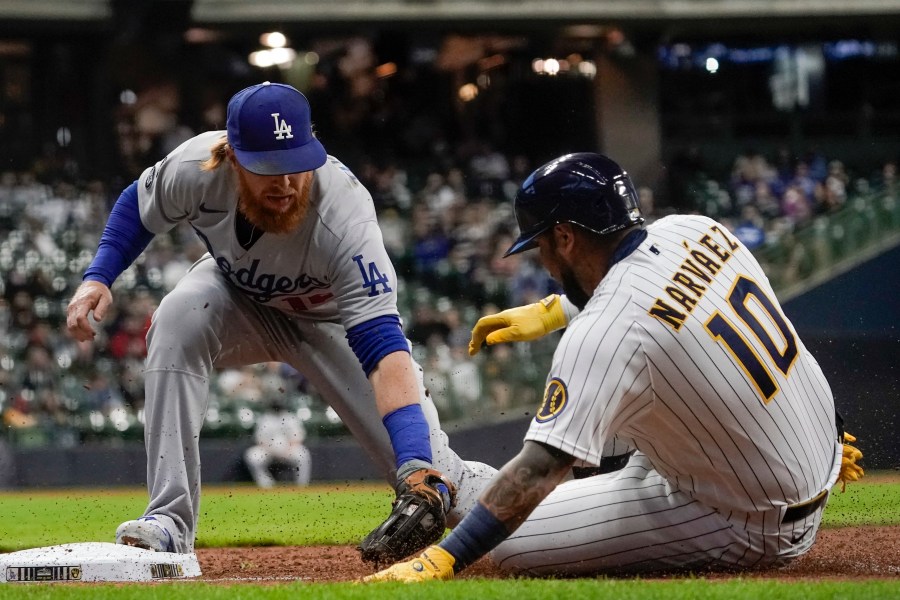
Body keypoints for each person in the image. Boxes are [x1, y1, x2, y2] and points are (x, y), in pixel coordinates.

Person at [365, 152, 864, 581]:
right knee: (641, 385)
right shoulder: (696, 229)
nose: (540, 260)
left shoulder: (604, 332)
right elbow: (665, 301)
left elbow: (542, 467)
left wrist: (444, 558)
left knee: (510, 546)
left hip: (749, 519)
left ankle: (486, 492)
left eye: (539, 244)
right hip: (814, 457)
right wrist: (552, 310)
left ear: (564, 237)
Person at [65, 81, 495, 554]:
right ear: (231, 156)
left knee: (436, 477)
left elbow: (382, 348)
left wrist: (415, 464)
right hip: (237, 297)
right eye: (268, 168)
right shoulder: (195, 166)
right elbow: (138, 205)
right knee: (178, 316)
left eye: (295, 164)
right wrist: (98, 276)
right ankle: (167, 522)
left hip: (332, 325)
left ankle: (538, 506)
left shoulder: (345, 216)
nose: (286, 182)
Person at [244, 397, 312, 488]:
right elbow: (260, 440)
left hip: (289, 449)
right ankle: (266, 485)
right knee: (252, 456)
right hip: (268, 450)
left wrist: (288, 451)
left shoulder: (290, 417)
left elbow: (298, 438)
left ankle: (302, 485)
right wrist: (271, 451)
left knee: (303, 454)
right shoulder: (265, 418)